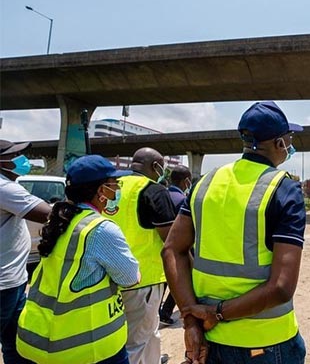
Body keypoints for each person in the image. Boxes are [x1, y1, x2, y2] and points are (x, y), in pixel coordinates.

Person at [162, 101, 307, 364]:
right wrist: (216, 313)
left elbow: (172, 249)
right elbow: (281, 288)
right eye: (289, 138)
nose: (291, 144)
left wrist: (191, 321)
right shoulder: (284, 189)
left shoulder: (204, 183)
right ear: (279, 144)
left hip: (211, 340)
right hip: (265, 342)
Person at [16, 155, 140, 364]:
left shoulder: (62, 220)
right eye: (114, 185)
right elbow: (130, 278)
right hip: (87, 349)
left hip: (39, 339)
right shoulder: (101, 229)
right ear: (101, 191)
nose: (118, 190)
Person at [102, 148, 176, 364]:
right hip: (143, 279)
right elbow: (171, 240)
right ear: (156, 166)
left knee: (130, 336)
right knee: (137, 342)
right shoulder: (153, 190)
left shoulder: (109, 185)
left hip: (106, 275)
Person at [0, 140, 52, 364]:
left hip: (15, 279)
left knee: (16, 341)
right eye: (16, 155)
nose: (22, 159)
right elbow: (46, 213)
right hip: (4, 283)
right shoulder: (3, 187)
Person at [159, 165, 192, 326]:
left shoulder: (162, 195)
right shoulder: (182, 201)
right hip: (178, 246)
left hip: (158, 246)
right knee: (179, 276)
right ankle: (166, 312)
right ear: (186, 182)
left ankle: (161, 311)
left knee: (165, 280)